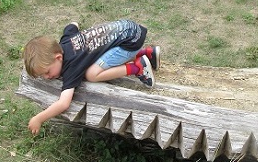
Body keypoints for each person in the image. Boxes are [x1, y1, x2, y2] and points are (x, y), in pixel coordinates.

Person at [22, 19, 160, 135]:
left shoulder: (71, 67)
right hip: (129, 29)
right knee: (97, 54)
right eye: (42, 76)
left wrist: (39, 118)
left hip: (130, 42)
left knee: (92, 74)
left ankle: (137, 68)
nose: (46, 77)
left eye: (47, 72)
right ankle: (148, 53)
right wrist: (74, 23)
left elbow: (64, 103)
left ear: (58, 57)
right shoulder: (65, 41)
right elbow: (71, 27)